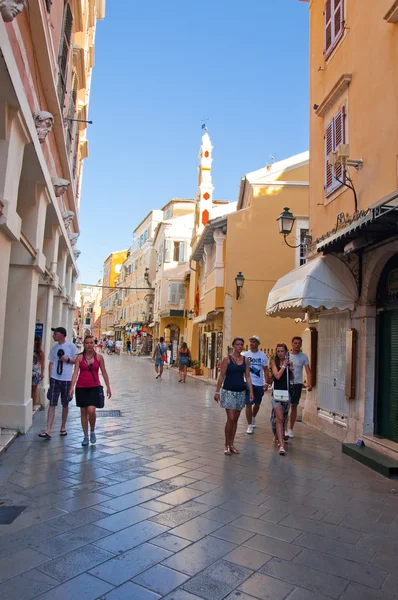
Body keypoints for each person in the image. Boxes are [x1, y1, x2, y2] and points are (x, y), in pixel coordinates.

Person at [69, 335, 112, 446]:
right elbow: (75, 373)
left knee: (91, 410)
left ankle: (92, 430)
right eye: (87, 343)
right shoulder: (79, 357)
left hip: (94, 387)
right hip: (81, 387)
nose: (89, 345)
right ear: (84, 344)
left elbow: (104, 372)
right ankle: (85, 436)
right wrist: (71, 387)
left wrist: (108, 387)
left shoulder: (99, 357)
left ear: (94, 344)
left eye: (91, 342)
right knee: (83, 412)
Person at [214, 337, 254, 455]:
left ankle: (231, 444)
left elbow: (247, 376)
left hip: (240, 392)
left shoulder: (245, 360)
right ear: (233, 346)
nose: (239, 346)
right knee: (230, 418)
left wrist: (251, 391)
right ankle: (226, 444)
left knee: (235, 419)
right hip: (228, 391)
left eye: (241, 344)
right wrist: (217, 391)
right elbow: (222, 376)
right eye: (237, 344)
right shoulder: (227, 359)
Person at [38, 327, 78, 439]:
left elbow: (78, 361)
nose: (53, 335)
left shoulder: (71, 347)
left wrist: (67, 360)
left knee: (65, 404)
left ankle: (63, 427)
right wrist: (51, 377)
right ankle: (48, 430)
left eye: (55, 334)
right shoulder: (54, 348)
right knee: (52, 404)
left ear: (61, 335)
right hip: (55, 379)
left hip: (66, 379)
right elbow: (51, 362)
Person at [270, 343, 294, 455]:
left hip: (286, 393)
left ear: (286, 352)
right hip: (276, 394)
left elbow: (291, 378)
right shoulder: (274, 362)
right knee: (279, 418)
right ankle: (282, 445)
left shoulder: (289, 362)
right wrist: (284, 366)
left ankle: (277, 436)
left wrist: (291, 369)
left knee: (283, 417)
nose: (280, 353)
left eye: (282, 351)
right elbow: (277, 376)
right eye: (278, 351)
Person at [287, 336, 312, 439]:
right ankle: (283, 430)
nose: (297, 345)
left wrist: (309, 384)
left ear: (301, 345)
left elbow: (308, 371)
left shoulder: (304, 357)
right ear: (292, 344)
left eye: (299, 343)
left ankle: (290, 429)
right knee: (285, 407)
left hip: (297, 384)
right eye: (295, 343)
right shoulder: (287, 356)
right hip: (287, 383)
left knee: (294, 406)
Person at [243, 335, 269, 434]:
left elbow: (266, 370)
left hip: (259, 383)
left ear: (258, 344)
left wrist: (266, 382)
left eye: (254, 341)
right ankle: (249, 425)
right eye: (251, 341)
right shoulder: (245, 355)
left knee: (257, 404)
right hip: (248, 383)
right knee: (248, 403)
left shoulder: (262, 356)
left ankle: (253, 417)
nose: (252, 343)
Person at [32, 336, 45, 410]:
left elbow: (42, 363)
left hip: (36, 372)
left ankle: (33, 404)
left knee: (34, 389)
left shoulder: (40, 352)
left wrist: (42, 373)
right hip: (30, 371)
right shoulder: (30, 350)